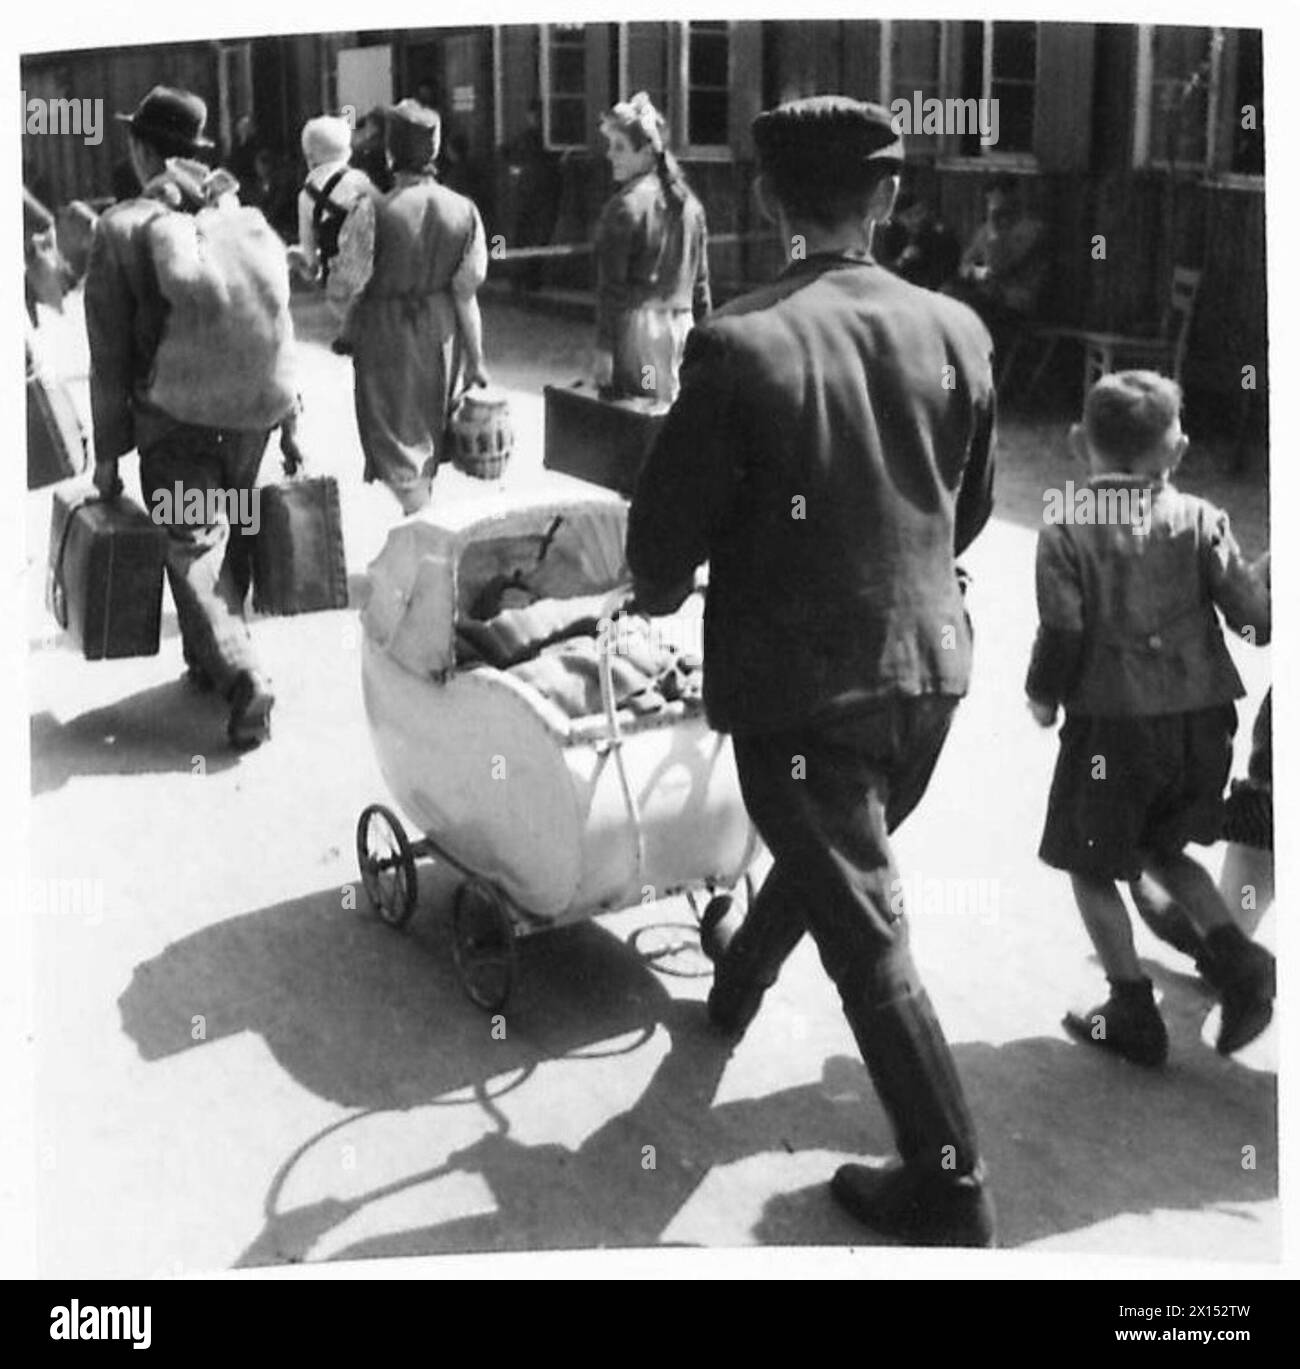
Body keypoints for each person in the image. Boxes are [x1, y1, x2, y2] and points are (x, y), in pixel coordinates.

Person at [626, 96, 998, 1247]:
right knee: (839, 852)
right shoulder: (959, 329)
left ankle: (950, 1182)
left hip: (801, 688)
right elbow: (965, 512)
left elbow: (658, 555)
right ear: (887, 199)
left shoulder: (738, 341)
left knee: (867, 928)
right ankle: (736, 985)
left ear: (768, 202)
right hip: (931, 669)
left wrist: (665, 582)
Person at [1026, 371, 1274, 1065]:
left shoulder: (1067, 519)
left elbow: (1064, 632)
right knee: (1167, 852)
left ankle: (1130, 1006)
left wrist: (1043, 697)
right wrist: (1258, 585)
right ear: (1180, 449)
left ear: (1080, 443)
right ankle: (1241, 962)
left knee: (1089, 863)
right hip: (1203, 723)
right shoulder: (1201, 518)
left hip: (1116, 727)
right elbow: (1253, 622)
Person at [84, 85, 293, 748]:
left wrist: (109, 458)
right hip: (255, 416)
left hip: (176, 419)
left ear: (144, 150)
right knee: (235, 518)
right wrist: (292, 424)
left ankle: (243, 672)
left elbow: (110, 354)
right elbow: (272, 319)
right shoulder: (235, 210)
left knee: (193, 542)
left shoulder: (121, 227)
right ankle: (211, 654)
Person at [350, 98, 489, 515]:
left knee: (395, 443)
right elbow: (467, 292)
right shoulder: (465, 211)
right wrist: (476, 360)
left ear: (390, 153)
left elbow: (349, 283)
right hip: (441, 333)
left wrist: (343, 319)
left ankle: (425, 536)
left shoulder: (372, 210)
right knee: (427, 438)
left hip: (386, 335)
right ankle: (422, 526)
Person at [593, 92, 711, 404]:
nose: (610, 155)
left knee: (641, 416)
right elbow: (701, 287)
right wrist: (708, 340)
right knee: (676, 415)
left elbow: (611, 289)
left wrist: (604, 350)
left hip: (641, 335)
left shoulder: (624, 208)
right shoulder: (690, 206)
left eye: (619, 147)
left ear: (646, 152)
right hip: (683, 330)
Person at [287, 115, 375, 350]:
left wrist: (311, 266)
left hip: (337, 277)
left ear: (309, 156)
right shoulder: (360, 180)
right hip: (372, 273)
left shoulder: (306, 195)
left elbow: (308, 245)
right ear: (347, 150)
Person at [949, 175, 1046, 354]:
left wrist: (994, 228)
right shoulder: (984, 230)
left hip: (1014, 304)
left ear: (1012, 198)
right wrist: (981, 273)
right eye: (990, 199)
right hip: (988, 297)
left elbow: (1000, 265)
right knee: (947, 294)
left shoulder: (1030, 230)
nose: (993, 205)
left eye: (998, 199)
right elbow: (964, 265)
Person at [874, 190, 961, 293]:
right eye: (909, 216)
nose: (917, 219)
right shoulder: (889, 234)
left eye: (919, 213)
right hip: (898, 288)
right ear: (898, 219)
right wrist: (902, 260)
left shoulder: (939, 234)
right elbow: (881, 269)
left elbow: (947, 268)